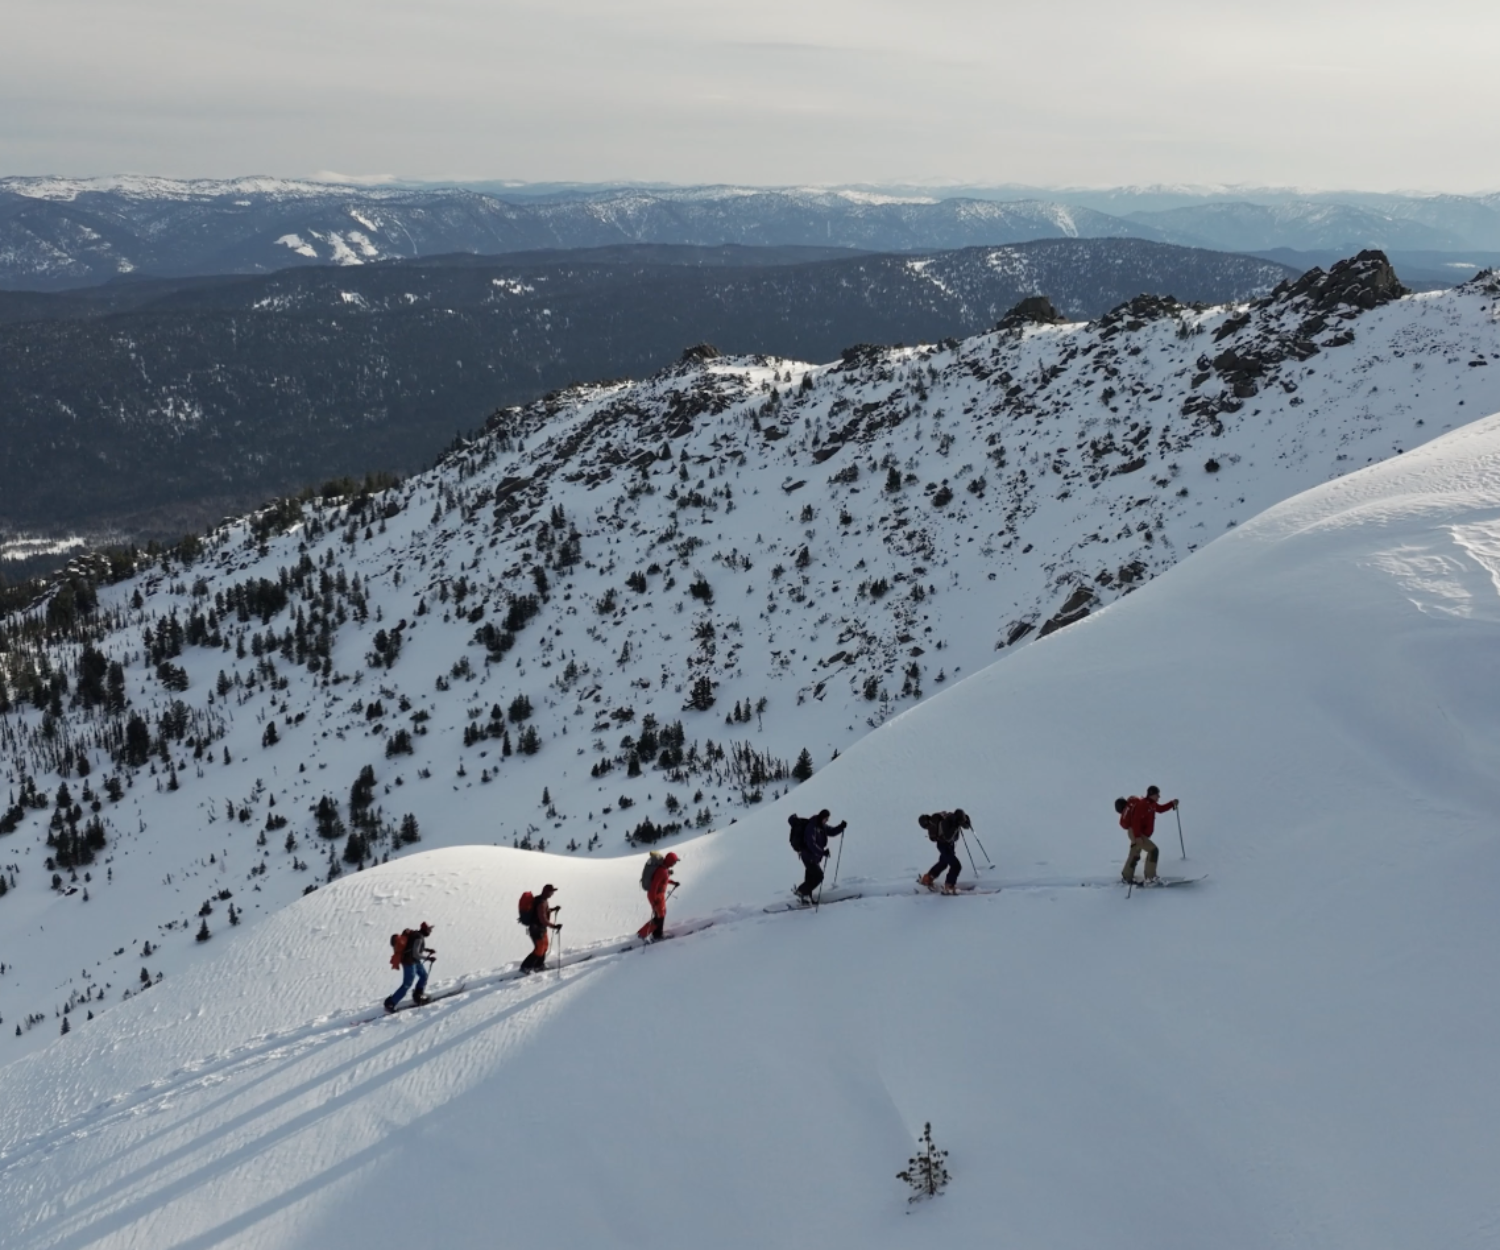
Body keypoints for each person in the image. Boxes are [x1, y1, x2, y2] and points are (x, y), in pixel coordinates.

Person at [1116, 786, 1178, 884]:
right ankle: (1151, 877)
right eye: (1157, 794)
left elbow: (1161, 809)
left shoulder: (1151, 804)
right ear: (1152, 795)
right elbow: (1135, 821)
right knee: (1153, 850)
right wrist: (1137, 837)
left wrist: (1171, 804)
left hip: (1137, 833)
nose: (1159, 796)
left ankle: (1127, 875)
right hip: (1136, 833)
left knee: (1134, 854)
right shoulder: (1143, 805)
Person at [795, 809, 847, 901]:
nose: (827, 820)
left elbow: (831, 831)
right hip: (808, 856)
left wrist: (841, 827)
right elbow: (811, 844)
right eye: (826, 818)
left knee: (811, 877)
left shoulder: (821, 825)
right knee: (819, 876)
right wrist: (822, 852)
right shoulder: (812, 827)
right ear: (822, 817)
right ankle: (801, 891)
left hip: (813, 857)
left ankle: (805, 897)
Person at [385, 921, 436, 1012]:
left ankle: (418, 995)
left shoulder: (416, 935)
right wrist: (428, 958)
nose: (430, 932)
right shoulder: (419, 937)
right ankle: (391, 1003)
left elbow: (414, 947)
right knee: (407, 984)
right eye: (429, 930)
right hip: (409, 962)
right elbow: (415, 953)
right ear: (425, 930)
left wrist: (427, 950)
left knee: (424, 976)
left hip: (413, 961)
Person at [918, 809, 971, 894]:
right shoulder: (946, 820)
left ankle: (927, 878)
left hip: (947, 845)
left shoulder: (947, 820)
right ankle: (949, 886)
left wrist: (964, 821)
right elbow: (948, 836)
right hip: (944, 845)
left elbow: (965, 826)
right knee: (956, 866)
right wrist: (956, 824)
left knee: (943, 863)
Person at [638, 851, 679, 941]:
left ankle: (653, 934)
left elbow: (664, 880)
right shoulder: (662, 871)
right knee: (659, 916)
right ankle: (654, 935)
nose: (674, 864)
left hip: (659, 896)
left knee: (661, 914)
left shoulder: (664, 869)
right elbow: (654, 886)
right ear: (670, 861)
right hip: (656, 897)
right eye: (674, 862)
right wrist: (654, 900)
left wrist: (674, 883)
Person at [520, 884, 560, 973]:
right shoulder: (541, 902)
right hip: (536, 930)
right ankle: (525, 967)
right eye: (551, 892)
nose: (552, 893)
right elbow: (543, 919)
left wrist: (553, 909)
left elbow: (543, 912)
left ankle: (539, 966)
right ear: (546, 891)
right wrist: (554, 926)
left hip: (541, 929)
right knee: (539, 949)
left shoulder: (541, 900)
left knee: (544, 947)